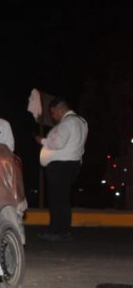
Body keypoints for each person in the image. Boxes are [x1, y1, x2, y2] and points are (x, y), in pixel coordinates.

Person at [35, 97, 88, 241]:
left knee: (56, 199)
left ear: (59, 110)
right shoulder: (82, 122)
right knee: (63, 198)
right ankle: (63, 230)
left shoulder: (67, 123)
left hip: (60, 165)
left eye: (53, 113)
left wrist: (43, 141)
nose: (53, 117)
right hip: (73, 164)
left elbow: (58, 143)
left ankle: (56, 230)